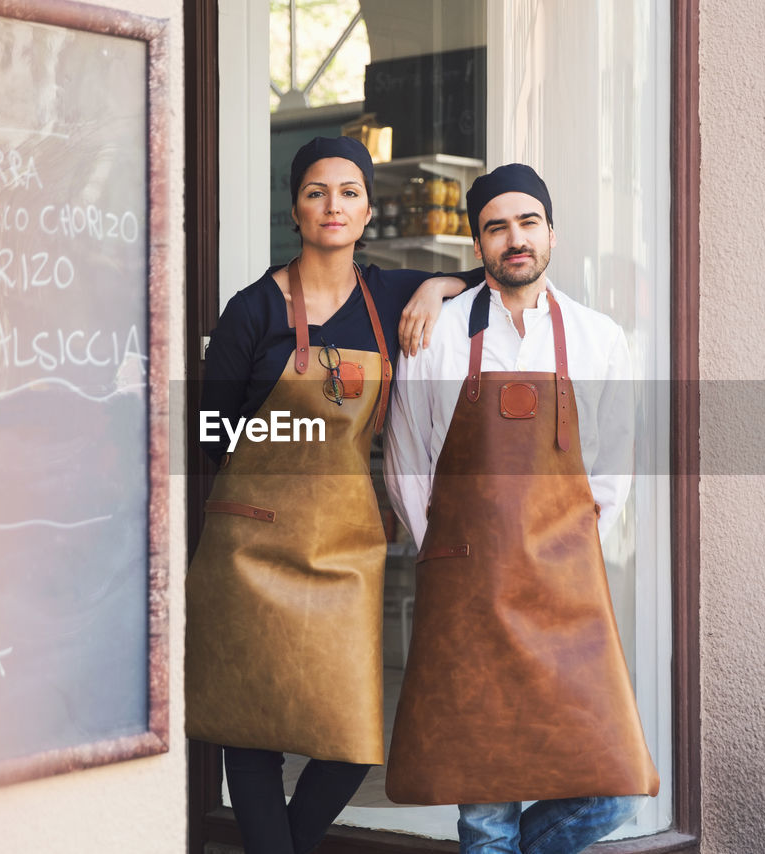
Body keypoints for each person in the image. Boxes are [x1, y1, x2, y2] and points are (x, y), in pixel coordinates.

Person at [185, 135, 476, 854]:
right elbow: (207, 431)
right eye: (317, 192)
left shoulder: (387, 294)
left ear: (369, 208)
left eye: (349, 191)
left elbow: (484, 277)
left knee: (351, 741)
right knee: (252, 736)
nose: (333, 205)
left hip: (342, 550)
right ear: (296, 210)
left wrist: (437, 287)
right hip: (249, 548)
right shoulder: (252, 309)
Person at [382, 163, 660, 854]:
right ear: (478, 245)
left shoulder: (599, 339)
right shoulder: (437, 334)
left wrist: (557, 551)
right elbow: (406, 458)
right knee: (485, 808)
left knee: (616, 786)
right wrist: (449, 549)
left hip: (564, 589)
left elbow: (610, 472)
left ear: (551, 234)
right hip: (469, 589)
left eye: (527, 222)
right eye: (496, 226)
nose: (515, 239)